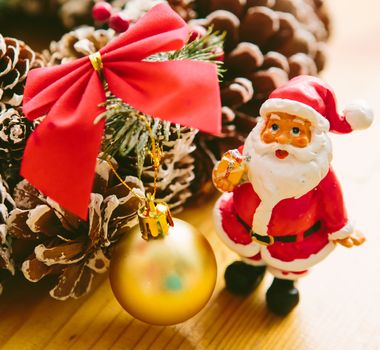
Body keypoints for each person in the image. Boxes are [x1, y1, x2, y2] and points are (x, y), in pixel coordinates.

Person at [213, 75, 373, 315]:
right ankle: (250, 269)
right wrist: (226, 176)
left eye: (296, 130)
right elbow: (228, 172)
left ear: (314, 137)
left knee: (286, 275)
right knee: (247, 260)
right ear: (263, 125)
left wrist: (339, 226)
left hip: (294, 240)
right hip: (245, 228)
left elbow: (332, 198)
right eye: (275, 127)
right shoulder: (249, 155)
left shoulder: (317, 173)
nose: (283, 139)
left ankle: (283, 283)